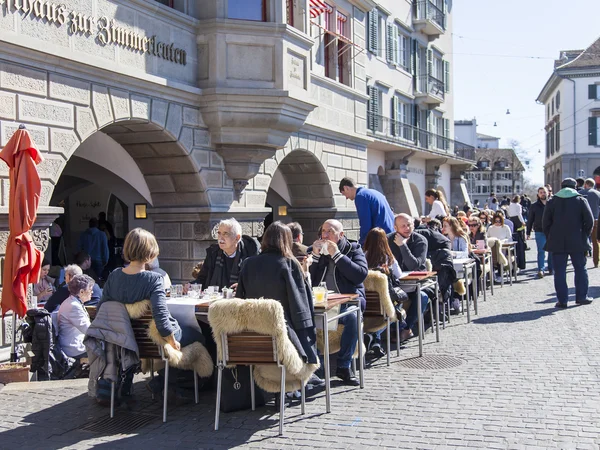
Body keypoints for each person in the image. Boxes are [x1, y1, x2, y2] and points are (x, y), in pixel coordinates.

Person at [100, 228, 204, 395]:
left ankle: (166, 382)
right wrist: (171, 340)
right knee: (201, 336)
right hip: (152, 341)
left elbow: (102, 309)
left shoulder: (114, 276)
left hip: (124, 340)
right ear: (150, 252)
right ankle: (173, 384)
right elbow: (161, 317)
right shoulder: (154, 279)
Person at [237, 222, 317, 367]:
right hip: (282, 334)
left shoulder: (248, 263)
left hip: (253, 333)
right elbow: (300, 305)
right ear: (287, 240)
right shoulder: (288, 264)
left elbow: (239, 299)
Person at [309, 219, 368, 386]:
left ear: (341, 235)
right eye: (323, 231)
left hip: (346, 303)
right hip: (320, 304)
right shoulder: (315, 251)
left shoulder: (353, 249)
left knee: (353, 318)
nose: (325, 235)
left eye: (331, 231)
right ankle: (315, 365)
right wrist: (314, 256)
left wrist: (337, 255)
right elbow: (306, 280)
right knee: (301, 318)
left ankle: (344, 366)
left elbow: (360, 275)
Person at [543, 178, 594, 308]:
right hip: (578, 241)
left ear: (561, 186)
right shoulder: (581, 200)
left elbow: (545, 223)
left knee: (559, 271)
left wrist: (552, 236)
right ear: (575, 186)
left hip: (557, 242)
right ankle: (581, 297)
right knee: (580, 269)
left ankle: (562, 300)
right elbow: (590, 221)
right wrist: (584, 236)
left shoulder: (552, 201)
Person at [387, 214, 431, 341]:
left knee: (422, 296)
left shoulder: (420, 240)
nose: (407, 228)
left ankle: (407, 328)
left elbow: (414, 265)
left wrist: (402, 246)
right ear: (395, 228)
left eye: (409, 225)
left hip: (418, 282)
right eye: (403, 226)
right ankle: (380, 334)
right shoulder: (388, 240)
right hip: (396, 282)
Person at [363, 227, 403, 358]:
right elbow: (399, 275)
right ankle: (375, 337)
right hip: (384, 305)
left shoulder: (362, 257)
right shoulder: (388, 258)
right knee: (397, 310)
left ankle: (374, 340)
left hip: (366, 305)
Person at [193, 218, 260, 291]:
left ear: (237, 238)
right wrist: (191, 286)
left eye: (225, 234)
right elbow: (202, 279)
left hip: (240, 300)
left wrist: (243, 287)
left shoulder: (251, 254)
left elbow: (259, 281)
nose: (221, 238)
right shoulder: (213, 253)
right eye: (219, 233)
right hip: (215, 298)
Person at [338, 177, 394, 245]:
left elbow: (365, 223)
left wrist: (362, 244)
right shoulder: (375, 192)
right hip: (391, 234)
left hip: (381, 238)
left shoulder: (360, 196)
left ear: (346, 188)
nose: (346, 198)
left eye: (344, 194)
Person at [57, 274, 95, 359]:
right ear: (81, 292)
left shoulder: (73, 302)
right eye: (90, 289)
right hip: (74, 347)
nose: (92, 292)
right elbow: (88, 330)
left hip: (75, 343)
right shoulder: (73, 306)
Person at [526, 186, 553, 278]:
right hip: (539, 231)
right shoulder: (534, 205)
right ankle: (541, 269)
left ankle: (551, 268)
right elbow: (530, 220)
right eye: (541, 192)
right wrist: (528, 232)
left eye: (544, 192)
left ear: (548, 193)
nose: (543, 194)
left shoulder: (552, 203)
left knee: (551, 250)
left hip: (551, 231)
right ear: (538, 194)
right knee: (541, 251)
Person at [581, 178, 600, 268]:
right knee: (596, 242)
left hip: (582, 221)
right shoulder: (598, 194)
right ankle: (596, 262)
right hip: (596, 220)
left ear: (586, 184)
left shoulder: (581, 193)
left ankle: (582, 259)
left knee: (583, 240)